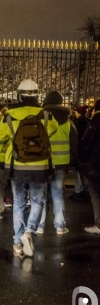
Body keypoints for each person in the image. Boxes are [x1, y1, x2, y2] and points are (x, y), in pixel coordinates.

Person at [0, 79, 58, 257]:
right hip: (40, 166)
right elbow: (54, 131)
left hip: (16, 166)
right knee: (37, 201)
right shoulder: (47, 116)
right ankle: (29, 231)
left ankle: (17, 242)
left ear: (19, 94)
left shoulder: (10, 116)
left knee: (18, 203)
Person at [37, 91, 77, 235]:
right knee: (58, 194)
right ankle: (59, 225)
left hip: (44, 162)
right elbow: (74, 143)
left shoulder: (42, 119)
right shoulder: (68, 121)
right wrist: (70, 161)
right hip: (61, 163)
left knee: (41, 195)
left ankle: (39, 225)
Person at [79, 99, 100, 234]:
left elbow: (86, 143)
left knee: (95, 194)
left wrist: (82, 160)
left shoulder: (95, 122)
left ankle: (99, 224)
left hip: (96, 163)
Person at [70, 105, 90, 201]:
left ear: (78, 113)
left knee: (76, 171)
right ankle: (85, 189)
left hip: (79, 150)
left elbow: (75, 138)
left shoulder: (78, 123)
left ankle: (79, 190)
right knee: (83, 172)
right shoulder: (88, 121)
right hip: (86, 151)